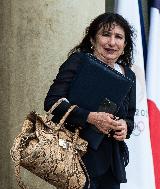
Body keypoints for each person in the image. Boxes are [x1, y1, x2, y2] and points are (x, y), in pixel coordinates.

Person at [44, 12, 136, 189]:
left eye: (118, 37)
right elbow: (52, 102)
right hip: (75, 157)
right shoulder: (79, 61)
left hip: (110, 163)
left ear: (124, 46)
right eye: (106, 34)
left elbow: (130, 117)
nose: (112, 42)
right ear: (93, 40)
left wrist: (125, 127)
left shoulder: (128, 74)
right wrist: (90, 117)